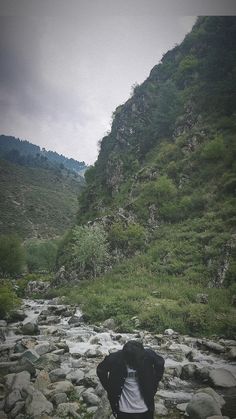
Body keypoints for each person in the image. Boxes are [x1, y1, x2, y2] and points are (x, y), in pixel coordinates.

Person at [97, 340, 165, 419]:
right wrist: (109, 388)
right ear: (125, 357)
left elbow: (160, 363)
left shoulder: (147, 355)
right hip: (123, 410)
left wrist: (155, 381)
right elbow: (100, 370)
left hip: (145, 408)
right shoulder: (114, 358)